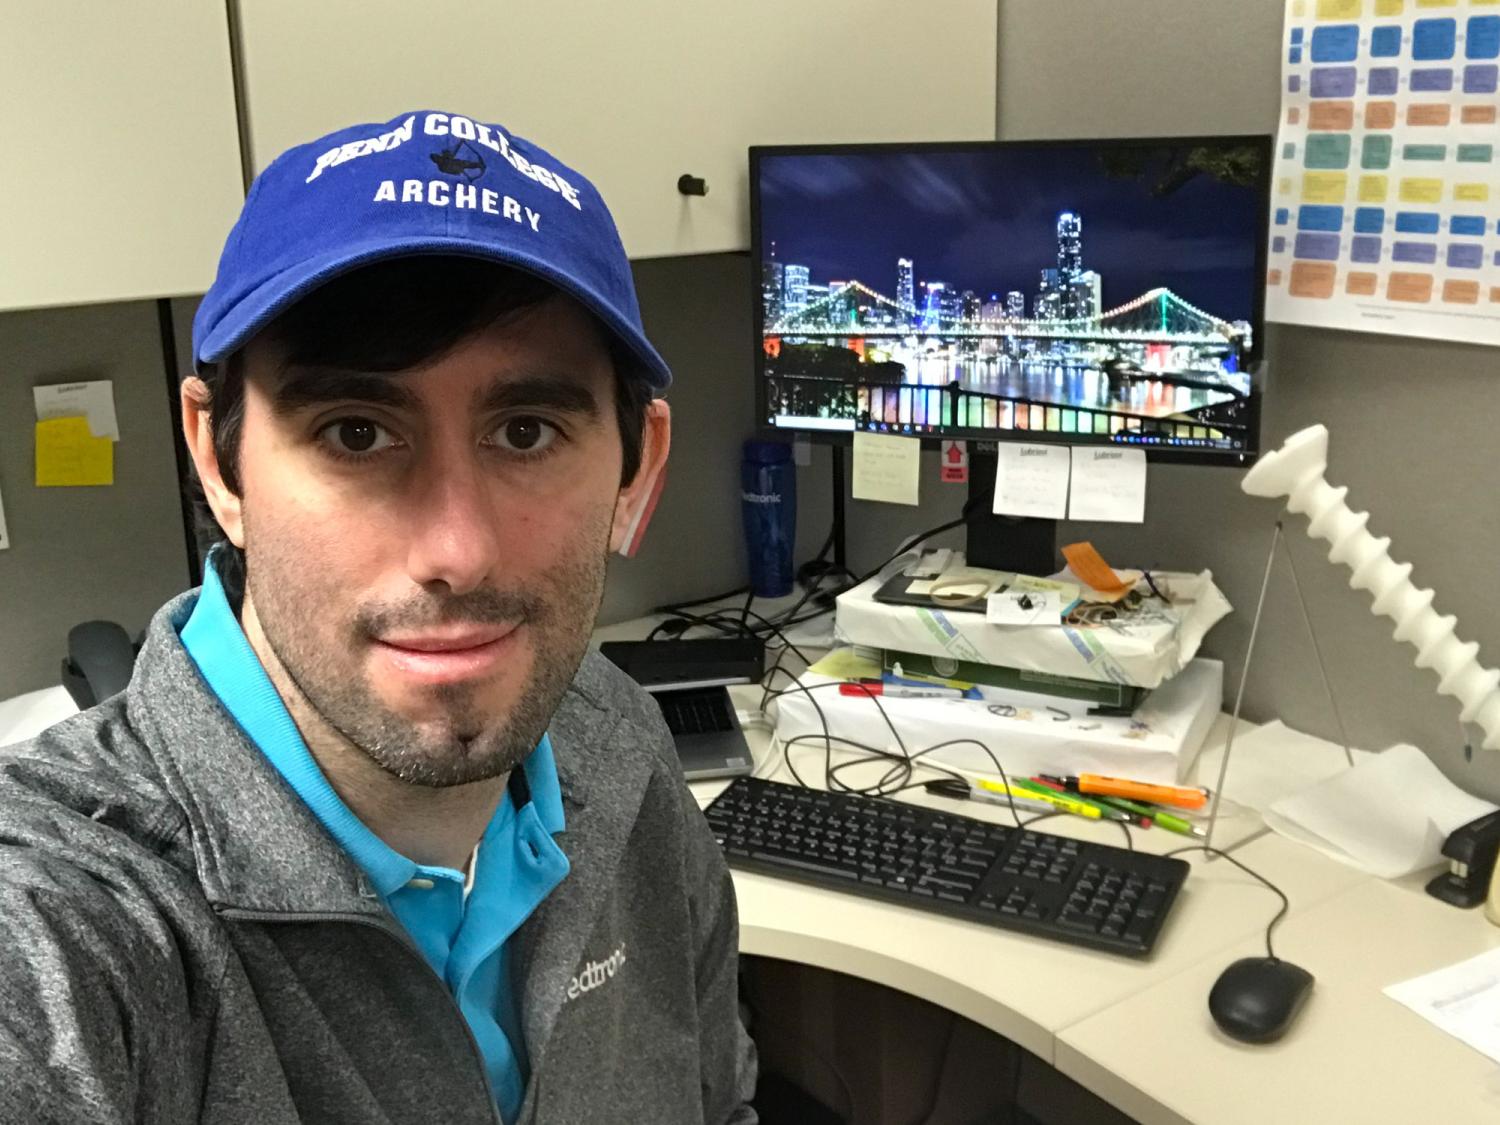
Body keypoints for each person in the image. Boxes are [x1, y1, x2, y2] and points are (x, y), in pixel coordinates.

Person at [0, 109, 756, 1124]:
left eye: (525, 431)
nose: (456, 550)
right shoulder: (64, 926)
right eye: (355, 433)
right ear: (218, 462)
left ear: (636, 470)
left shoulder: (617, 742)